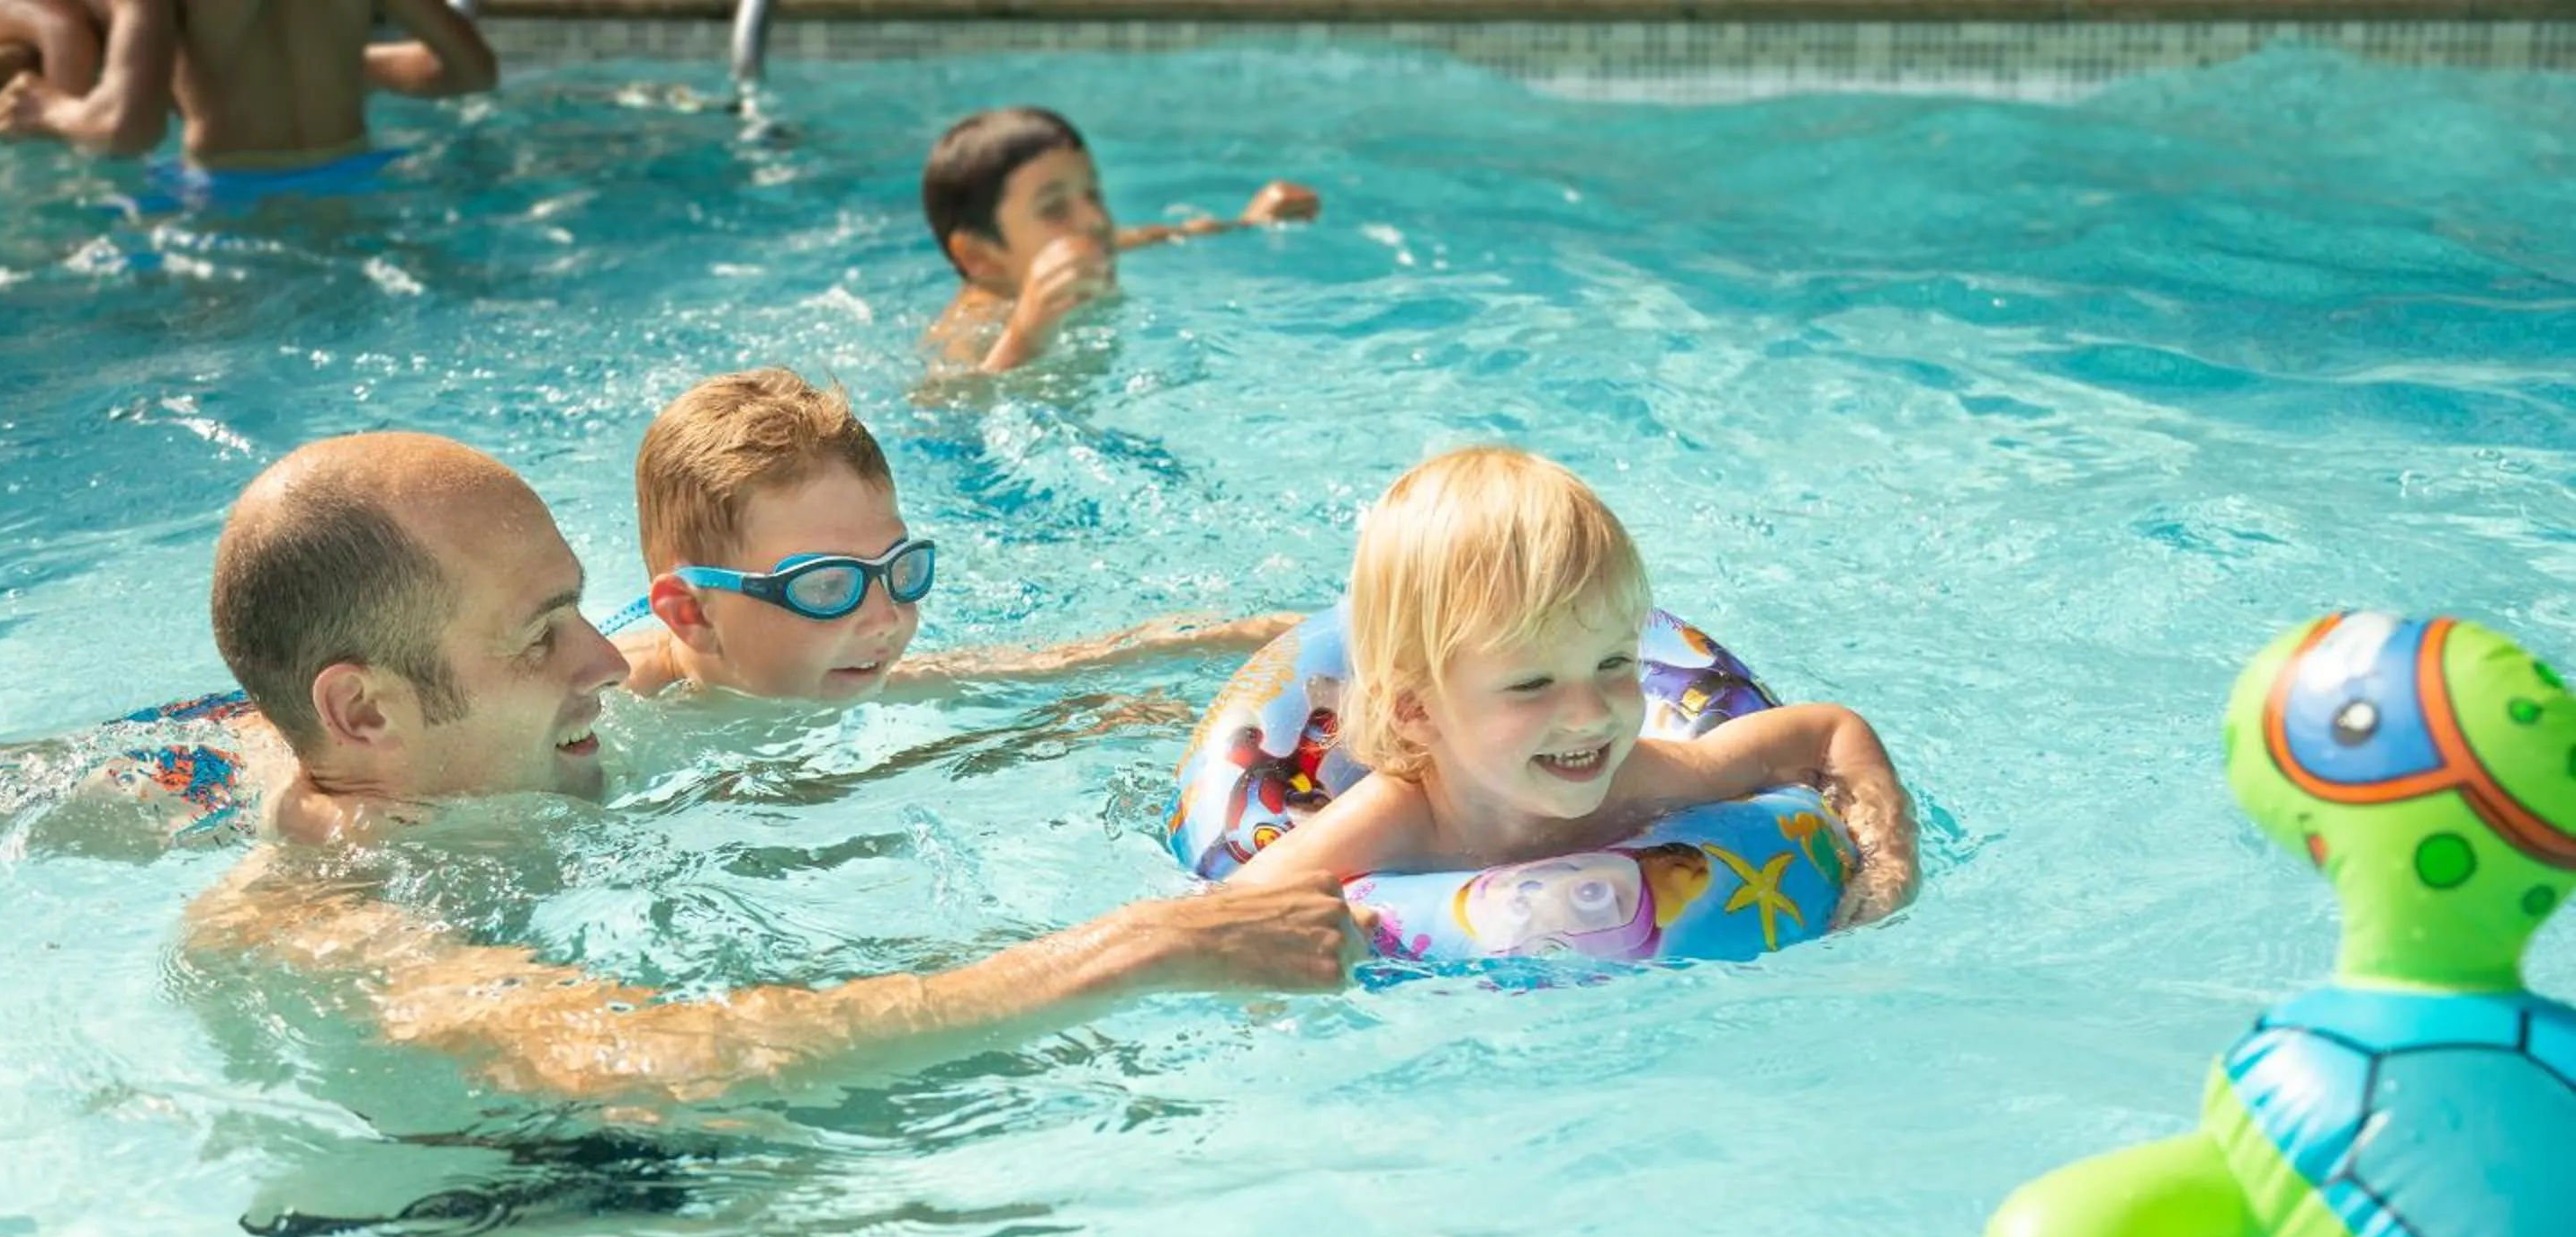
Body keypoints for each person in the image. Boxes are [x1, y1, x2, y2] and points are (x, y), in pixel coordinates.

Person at [180, 431, 1360, 1105]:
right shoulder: (335, 929)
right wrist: (1139, 948)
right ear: (362, 712)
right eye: (541, 636)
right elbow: (662, 1060)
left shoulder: (460, 757)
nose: (606, 658)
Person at [1228, 446, 1920, 926]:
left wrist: (1887, 858)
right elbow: (1228, 909)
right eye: (1532, 684)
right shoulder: (1397, 824)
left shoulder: (1646, 778)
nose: (1591, 714)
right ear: (1415, 709)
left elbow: (1829, 730)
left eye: (1614, 665)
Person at [610, 366, 1298, 703]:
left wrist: (1270, 635)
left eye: (901, 569)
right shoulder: (603, 718)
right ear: (692, 614)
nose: (886, 618)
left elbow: (1058, 665)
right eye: (827, 585)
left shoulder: (841, 656)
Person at [920, 106, 1320, 375]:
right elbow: (949, 409)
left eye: (1092, 194)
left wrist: (1245, 222)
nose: (1095, 220)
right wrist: (1027, 333)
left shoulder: (1095, 247)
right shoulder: (969, 329)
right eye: (1055, 208)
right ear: (981, 258)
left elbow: (1158, 236)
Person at [0, 0, 494, 170]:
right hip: (357, 182)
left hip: (231, 207)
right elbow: (470, 71)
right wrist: (343, 68)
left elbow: (126, 129)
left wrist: (48, 110)